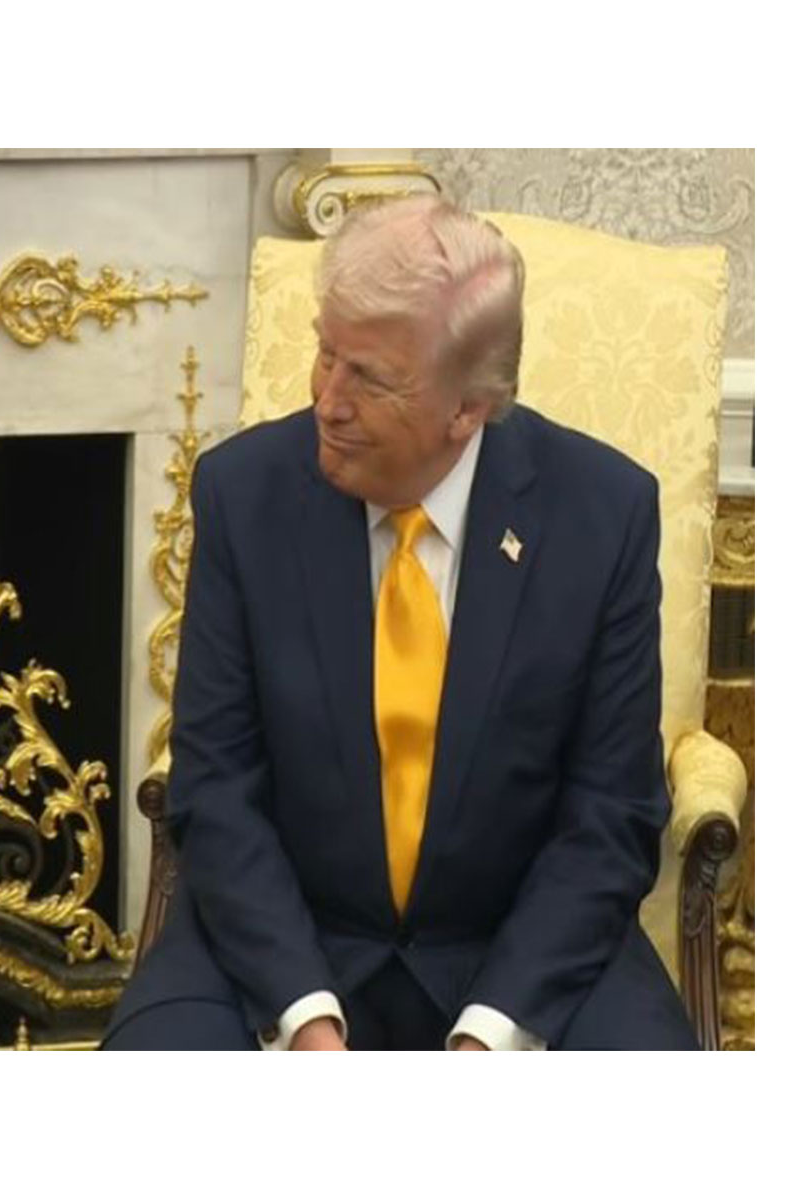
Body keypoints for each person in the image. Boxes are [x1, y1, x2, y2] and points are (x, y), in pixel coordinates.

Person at [104, 195, 696, 1050]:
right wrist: (304, 1017)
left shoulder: (601, 516)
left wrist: (487, 1037)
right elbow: (217, 786)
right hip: (285, 940)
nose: (326, 401)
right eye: (324, 354)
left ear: (469, 407)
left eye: (368, 379)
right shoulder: (245, 494)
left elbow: (610, 816)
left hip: (518, 949)